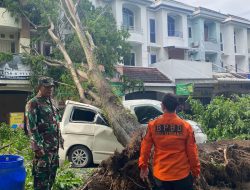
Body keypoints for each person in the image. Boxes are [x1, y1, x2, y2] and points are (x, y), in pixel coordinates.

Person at [138, 93, 200, 190]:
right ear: (176, 107)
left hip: (161, 176)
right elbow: (192, 152)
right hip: (182, 176)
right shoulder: (186, 127)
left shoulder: (153, 125)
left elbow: (145, 147)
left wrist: (143, 166)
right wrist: (196, 171)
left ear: (162, 106)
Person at [25, 76, 64, 190]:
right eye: (47, 87)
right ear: (39, 87)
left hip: (53, 149)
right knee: (41, 181)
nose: (50, 89)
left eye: (51, 87)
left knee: (51, 179)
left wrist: (60, 139)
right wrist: (37, 148)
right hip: (43, 150)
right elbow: (31, 127)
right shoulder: (33, 103)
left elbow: (56, 122)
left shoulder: (51, 102)